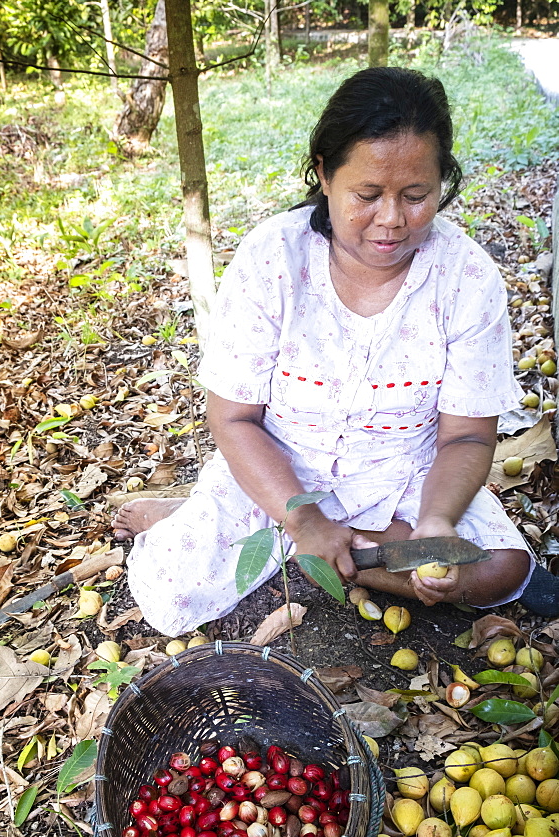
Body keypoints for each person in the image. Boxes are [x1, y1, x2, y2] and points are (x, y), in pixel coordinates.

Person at [112, 66, 552, 638]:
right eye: (367, 195)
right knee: (174, 588)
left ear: (442, 181)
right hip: (282, 470)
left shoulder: (466, 276)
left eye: (417, 195)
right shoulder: (273, 258)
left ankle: (304, 554)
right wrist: (303, 517)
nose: (392, 220)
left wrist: (436, 522)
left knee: (498, 568)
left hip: (403, 475)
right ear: (324, 174)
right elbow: (234, 419)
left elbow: (466, 437)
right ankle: (272, 536)